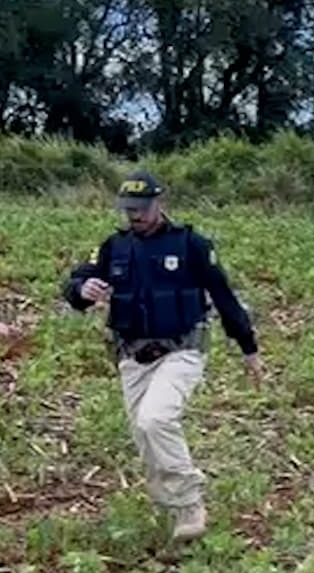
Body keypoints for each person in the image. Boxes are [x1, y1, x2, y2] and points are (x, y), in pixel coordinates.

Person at [62, 170, 262, 543]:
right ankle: (171, 512)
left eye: (141, 208)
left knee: (156, 419)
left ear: (160, 202)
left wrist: (248, 347)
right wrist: (81, 288)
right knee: (143, 433)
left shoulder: (191, 245)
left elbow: (224, 297)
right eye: (128, 209)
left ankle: (189, 503)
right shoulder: (114, 247)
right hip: (132, 354)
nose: (134, 215)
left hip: (182, 349)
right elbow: (76, 284)